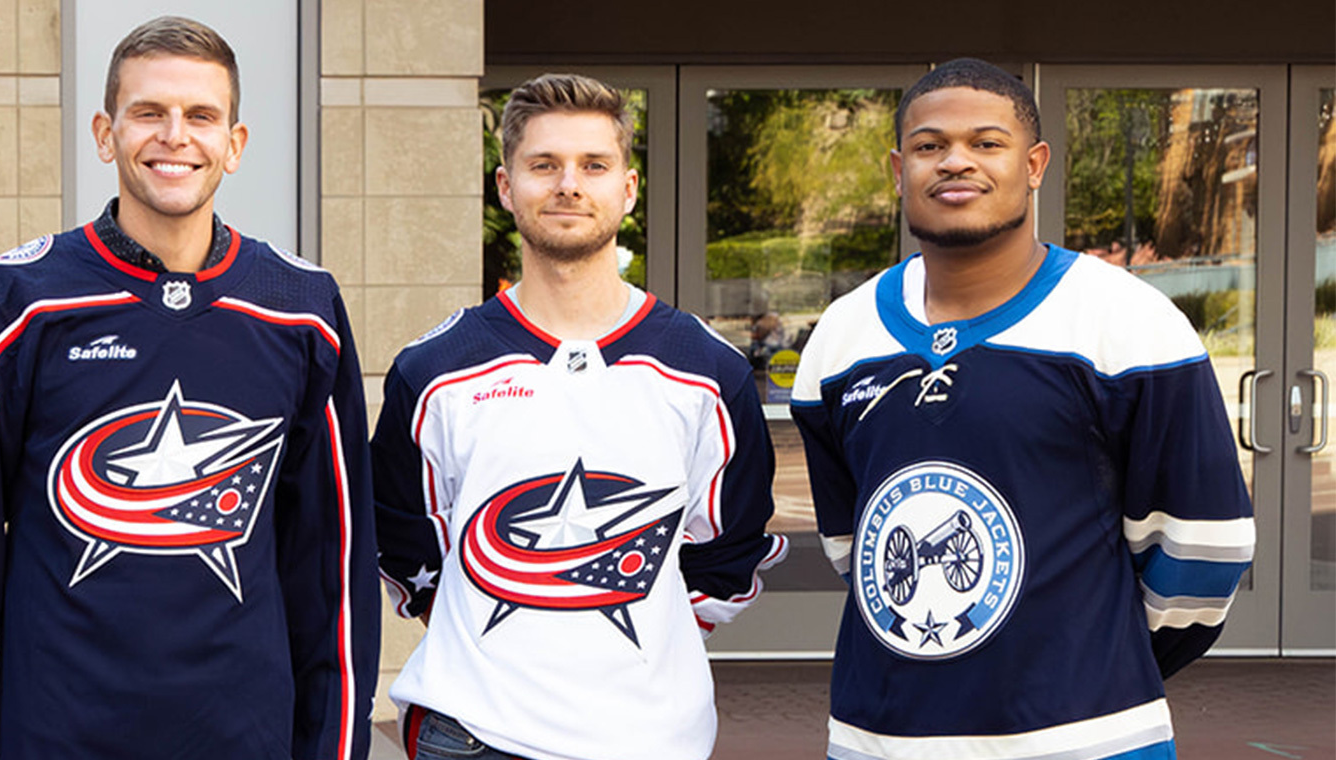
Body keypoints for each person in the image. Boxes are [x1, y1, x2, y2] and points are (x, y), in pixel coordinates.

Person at [0, 16, 376, 760]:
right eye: (149, 112)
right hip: (57, 730)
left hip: (242, 733)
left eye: (201, 116)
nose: (175, 136)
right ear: (105, 133)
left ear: (235, 143)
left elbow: (332, 566)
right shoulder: (21, 299)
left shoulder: (301, 311)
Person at [787, 59, 1254, 760]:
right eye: (928, 145)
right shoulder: (843, 334)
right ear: (898, 168)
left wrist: (1094, 662)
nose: (955, 162)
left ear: (1034, 164)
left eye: (986, 143)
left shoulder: (1124, 320)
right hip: (879, 735)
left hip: (1087, 738)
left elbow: (1203, 549)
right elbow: (856, 548)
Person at [370, 74, 786, 760]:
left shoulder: (706, 371)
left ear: (628, 187)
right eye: (544, 165)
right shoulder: (435, 368)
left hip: (649, 738)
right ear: (506, 187)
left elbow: (728, 553)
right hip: (474, 732)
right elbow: (405, 545)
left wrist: (631, 638)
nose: (568, 184)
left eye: (593, 165)